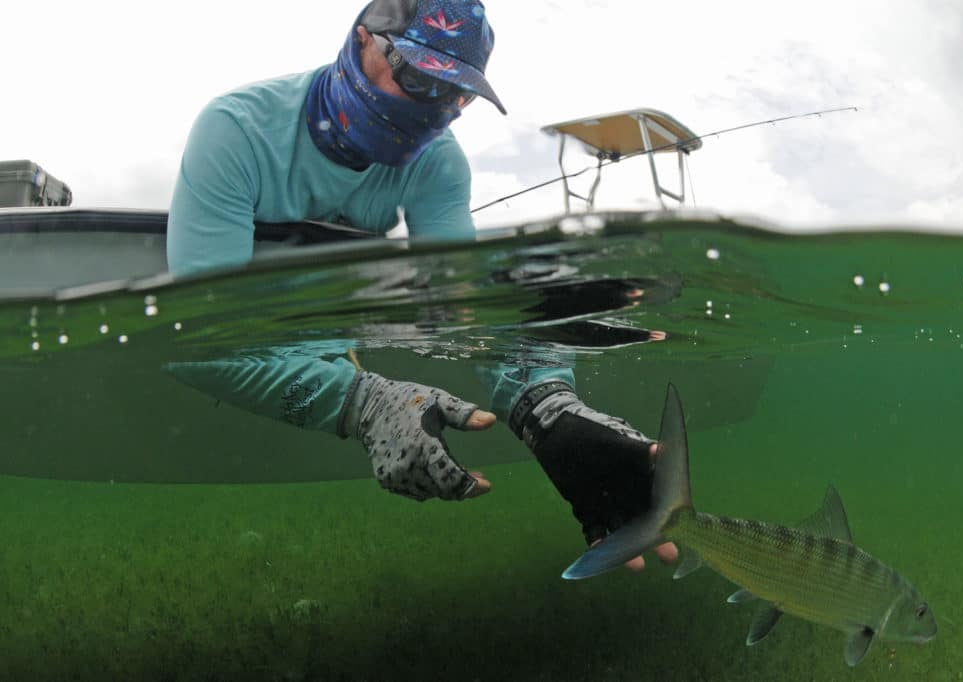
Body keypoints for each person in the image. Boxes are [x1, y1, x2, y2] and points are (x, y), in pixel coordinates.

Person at [165, 0, 675, 570]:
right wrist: (363, 402)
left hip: (330, 325)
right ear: (362, 40)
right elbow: (199, 339)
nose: (432, 111)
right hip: (259, 323)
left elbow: (466, 309)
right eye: (416, 76)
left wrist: (545, 404)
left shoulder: (438, 163)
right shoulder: (236, 131)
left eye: (454, 95)